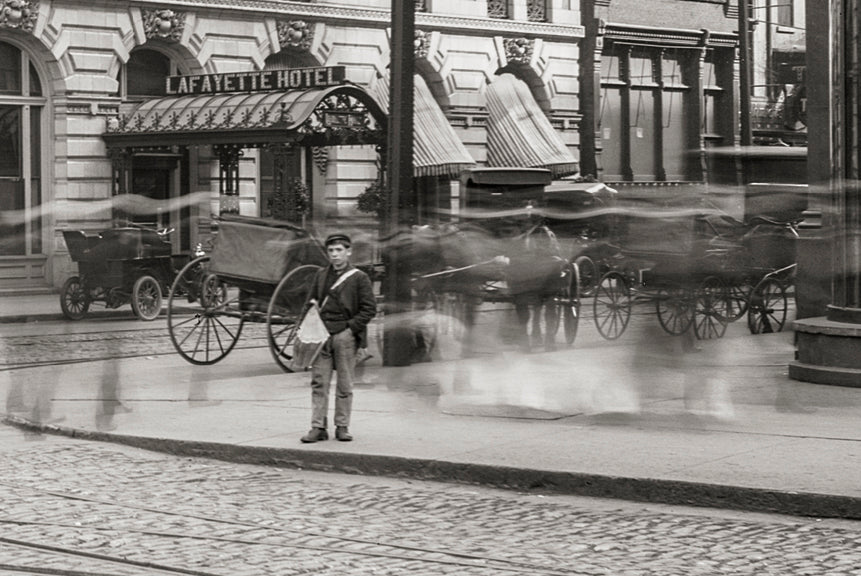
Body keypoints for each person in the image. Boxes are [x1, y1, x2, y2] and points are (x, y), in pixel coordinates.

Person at [301, 232, 376, 443]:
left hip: (345, 336)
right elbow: (310, 303)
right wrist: (304, 330)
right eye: (331, 250)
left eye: (339, 250)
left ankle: (342, 426)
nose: (334, 254)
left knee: (345, 384)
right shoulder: (320, 275)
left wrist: (350, 329)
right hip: (321, 335)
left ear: (348, 252)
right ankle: (318, 427)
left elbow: (369, 309)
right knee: (319, 383)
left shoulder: (359, 278)